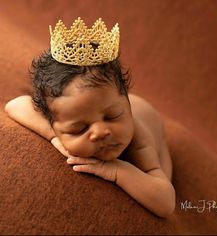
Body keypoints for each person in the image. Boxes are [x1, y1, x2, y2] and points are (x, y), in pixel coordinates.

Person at [4, 17, 175, 218]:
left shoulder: (139, 137)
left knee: (165, 176)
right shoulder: (63, 116)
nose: (101, 132)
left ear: (126, 104)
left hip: (151, 119)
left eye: (112, 117)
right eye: (79, 129)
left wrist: (118, 171)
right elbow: (14, 105)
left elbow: (166, 202)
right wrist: (54, 136)